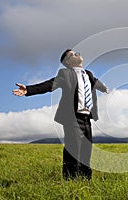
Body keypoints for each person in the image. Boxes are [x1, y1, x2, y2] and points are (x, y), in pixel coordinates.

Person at [13, 49, 109, 180]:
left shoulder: (88, 74)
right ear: (68, 62)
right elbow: (49, 85)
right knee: (73, 149)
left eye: (77, 52)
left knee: (86, 150)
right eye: (72, 54)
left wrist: (104, 88)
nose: (77, 54)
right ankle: (70, 179)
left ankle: (86, 180)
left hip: (87, 118)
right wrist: (29, 90)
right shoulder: (65, 73)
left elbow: (96, 82)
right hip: (72, 117)